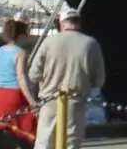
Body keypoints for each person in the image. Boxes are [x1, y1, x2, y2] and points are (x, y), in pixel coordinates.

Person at [29, 8, 105, 149]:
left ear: (61, 23)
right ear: (79, 23)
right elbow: (99, 80)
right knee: (71, 143)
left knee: (44, 143)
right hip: (75, 101)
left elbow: (33, 75)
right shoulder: (91, 44)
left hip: (49, 100)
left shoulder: (48, 42)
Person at [0, 19, 37, 149]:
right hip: (14, 94)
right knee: (26, 130)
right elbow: (21, 79)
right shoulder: (21, 53)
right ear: (20, 36)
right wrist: (32, 101)